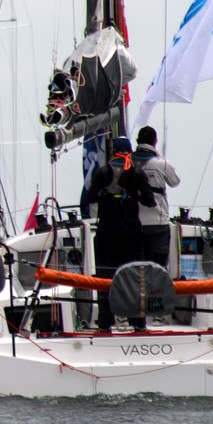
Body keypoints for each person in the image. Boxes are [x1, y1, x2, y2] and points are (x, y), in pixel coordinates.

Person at [85, 136, 156, 329]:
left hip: (107, 233)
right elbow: (150, 201)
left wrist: (104, 194)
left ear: (113, 150)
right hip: (131, 233)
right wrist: (136, 194)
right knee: (134, 278)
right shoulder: (138, 174)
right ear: (129, 152)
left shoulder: (103, 172)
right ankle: (138, 323)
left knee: (105, 279)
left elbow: (91, 196)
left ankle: (105, 323)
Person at [131, 126, 181, 265]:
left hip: (135, 224)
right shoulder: (162, 163)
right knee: (158, 268)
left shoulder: (128, 163)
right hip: (158, 224)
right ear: (155, 142)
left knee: (137, 269)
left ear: (137, 141)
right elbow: (175, 182)